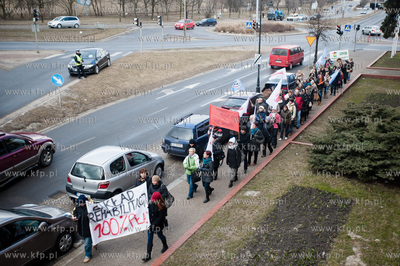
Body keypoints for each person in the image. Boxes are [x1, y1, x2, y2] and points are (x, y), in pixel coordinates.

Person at [142, 192, 168, 262]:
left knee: (160, 235)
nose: (152, 200)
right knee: (149, 238)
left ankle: (165, 245)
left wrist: (153, 224)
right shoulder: (151, 203)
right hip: (151, 225)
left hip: (157, 225)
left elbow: (160, 218)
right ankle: (148, 255)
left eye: (154, 199)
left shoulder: (162, 206)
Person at [72, 195, 92, 263]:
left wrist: (91, 216)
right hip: (81, 228)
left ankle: (88, 255)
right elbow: (74, 213)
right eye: (79, 203)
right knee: (87, 241)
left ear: (85, 202)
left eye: (81, 203)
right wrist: (75, 217)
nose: (80, 204)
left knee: (87, 243)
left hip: (89, 229)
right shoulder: (77, 207)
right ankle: (94, 242)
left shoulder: (90, 206)